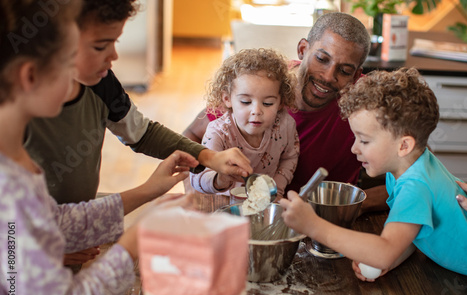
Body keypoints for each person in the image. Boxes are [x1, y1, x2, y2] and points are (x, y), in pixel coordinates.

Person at [0, 1, 197, 295]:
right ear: (30, 75)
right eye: (67, 60)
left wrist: (148, 194)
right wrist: (131, 245)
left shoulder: (15, 157)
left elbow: (52, 222)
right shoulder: (9, 184)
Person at [23, 0, 252, 266]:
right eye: (100, 46)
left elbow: (142, 132)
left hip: (76, 231)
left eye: (115, 42)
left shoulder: (101, 83)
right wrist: (42, 251)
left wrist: (208, 157)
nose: (113, 56)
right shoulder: (16, 115)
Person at [280, 68, 467, 283]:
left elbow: (384, 250)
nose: (354, 149)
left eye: (364, 140)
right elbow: (413, 232)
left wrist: (313, 226)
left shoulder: (415, 186)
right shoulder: (412, 165)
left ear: (403, 145)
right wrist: (392, 259)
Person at [183, 13, 388, 211]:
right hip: (246, 212)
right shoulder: (261, 85)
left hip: (325, 220)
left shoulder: (369, 100)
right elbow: (189, 137)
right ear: (302, 49)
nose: (328, 76)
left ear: (356, 75)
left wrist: (352, 208)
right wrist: (195, 195)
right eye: (321, 59)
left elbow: (413, 165)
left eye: (344, 71)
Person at [190, 48, 299, 199]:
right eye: (246, 102)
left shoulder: (285, 125)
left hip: (265, 202)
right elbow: (197, 179)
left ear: (281, 102)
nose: (256, 111)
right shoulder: (218, 132)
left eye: (267, 103)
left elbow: (290, 157)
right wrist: (219, 180)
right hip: (224, 201)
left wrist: (276, 188)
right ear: (227, 99)